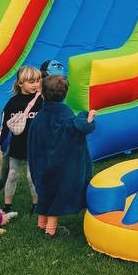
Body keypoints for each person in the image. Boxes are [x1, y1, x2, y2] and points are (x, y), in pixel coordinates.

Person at [27, 74, 96, 237]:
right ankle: (51, 230)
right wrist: (88, 119)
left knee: (45, 191)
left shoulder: (40, 117)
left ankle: (41, 223)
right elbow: (76, 128)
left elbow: (34, 140)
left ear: (42, 94)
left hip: (42, 164)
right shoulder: (64, 114)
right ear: (65, 94)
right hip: (59, 166)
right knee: (56, 193)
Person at [0, 65, 44, 213]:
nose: (35, 84)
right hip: (16, 145)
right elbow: (4, 124)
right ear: (20, 83)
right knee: (12, 174)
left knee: (31, 177)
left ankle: (36, 205)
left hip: (35, 146)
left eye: (37, 81)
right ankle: (7, 205)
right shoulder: (12, 102)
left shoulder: (41, 101)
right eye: (31, 81)